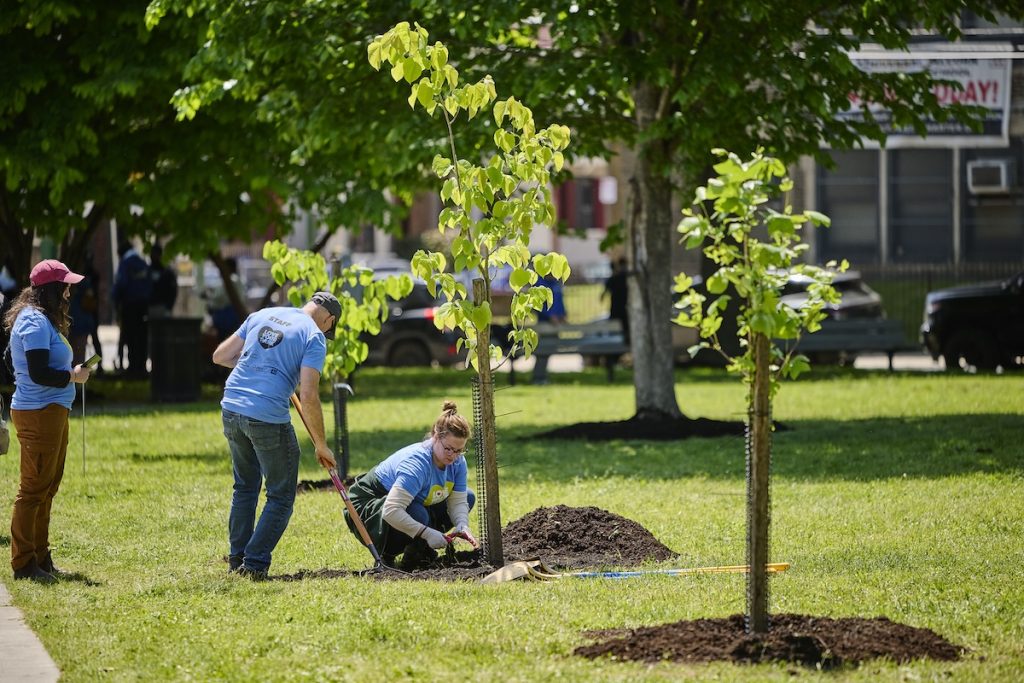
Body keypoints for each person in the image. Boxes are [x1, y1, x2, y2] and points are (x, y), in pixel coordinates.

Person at [212, 291, 340, 580]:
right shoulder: (313, 336)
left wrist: (259, 369)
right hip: (266, 416)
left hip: (231, 406)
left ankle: (237, 561)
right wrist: (321, 445)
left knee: (244, 487)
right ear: (329, 320)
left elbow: (221, 356)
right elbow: (308, 395)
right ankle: (254, 565)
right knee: (281, 495)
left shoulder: (261, 315)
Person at [3, 259, 94, 583]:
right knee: (33, 490)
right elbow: (39, 372)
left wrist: (71, 375)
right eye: (65, 285)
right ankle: (24, 565)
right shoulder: (34, 322)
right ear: (52, 289)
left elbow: (23, 367)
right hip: (39, 413)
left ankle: (41, 558)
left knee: (47, 488)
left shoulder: (40, 320)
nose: (69, 291)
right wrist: (73, 376)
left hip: (51, 411)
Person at [345, 400, 476, 568]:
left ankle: (418, 552)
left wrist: (462, 525)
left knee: (468, 496)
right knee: (417, 513)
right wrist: (427, 533)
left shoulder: (458, 462)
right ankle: (388, 554)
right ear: (436, 436)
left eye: (459, 450)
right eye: (448, 448)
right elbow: (391, 511)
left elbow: (457, 500)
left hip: (408, 503)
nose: (453, 456)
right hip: (367, 506)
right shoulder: (416, 464)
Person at [112, 241, 151, 377]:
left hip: (129, 306)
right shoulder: (142, 263)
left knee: (129, 337)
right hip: (144, 306)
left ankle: (133, 367)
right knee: (142, 337)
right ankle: (141, 366)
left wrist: (115, 300)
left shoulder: (126, 263)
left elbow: (121, 283)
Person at [531, 274, 567, 385]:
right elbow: (537, 306)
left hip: (556, 324)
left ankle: (542, 376)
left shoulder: (556, 283)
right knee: (543, 350)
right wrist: (550, 316)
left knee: (549, 350)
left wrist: (563, 315)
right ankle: (538, 377)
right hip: (545, 325)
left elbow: (560, 301)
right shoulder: (539, 285)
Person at [68, 254, 102, 366]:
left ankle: (81, 374)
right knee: (80, 352)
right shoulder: (86, 281)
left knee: (76, 353)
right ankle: (86, 371)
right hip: (83, 320)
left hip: (76, 320)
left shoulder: (75, 282)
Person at [602, 257, 630, 345]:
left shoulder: (613, 279)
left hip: (616, 308)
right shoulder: (626, 278)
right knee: (624, 327)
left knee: (615, 328)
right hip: (624, 308)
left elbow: (603, 295)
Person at [147, 242, 178, 319]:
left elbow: (173, 292)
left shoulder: (167, 273)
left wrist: (169, 308)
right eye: (152, 254)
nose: (153, 256)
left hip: (162, 307)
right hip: (149, 307)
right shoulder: (147, 271)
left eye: (155, 254)